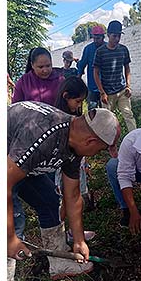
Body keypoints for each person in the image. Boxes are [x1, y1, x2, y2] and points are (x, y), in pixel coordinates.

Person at [7, 102, 120, 281]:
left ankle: (58, 262)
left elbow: (73, 195)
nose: (98, 154)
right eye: (101, 149)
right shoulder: (43, 136)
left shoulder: (75, 142)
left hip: (20, 164)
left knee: (50, 201)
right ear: (91, 140)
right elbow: (4, 183)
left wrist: (79, 240)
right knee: (15, 222)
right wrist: (10, 237)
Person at [53, 77, 95, 241]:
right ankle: (58, 233)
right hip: (62, 166)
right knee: (64, 200)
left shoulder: (77, 116)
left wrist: (85, 163)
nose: (79, 105)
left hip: (78, 164)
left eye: (82, 101)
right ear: (65, 96)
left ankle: (73, 231)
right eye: (77, 101)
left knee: (76, 197)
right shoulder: (57, 119)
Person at [94, 20, 136, 132]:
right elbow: (96, 73)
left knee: (128, 115)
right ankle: (107, 140)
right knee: (107, 120)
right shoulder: (100, 52)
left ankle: (135, 137)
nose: (117, 39)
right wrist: (102, 92)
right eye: (114, 36)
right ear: (108, 35)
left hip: (122, 91)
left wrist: (128, 86)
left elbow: (127, 68)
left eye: (119, 36)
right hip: (107, 93)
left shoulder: (123, 50)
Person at [76, 25, 106, 110]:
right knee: (92, 110)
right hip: (92, 86)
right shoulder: (88, 49)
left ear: (103, 37)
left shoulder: (107, 48)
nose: (96, 40)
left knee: (105, 111)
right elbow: (82, 64)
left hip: (105, 86)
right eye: (94, 38)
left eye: (98, 38)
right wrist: (78, 78)